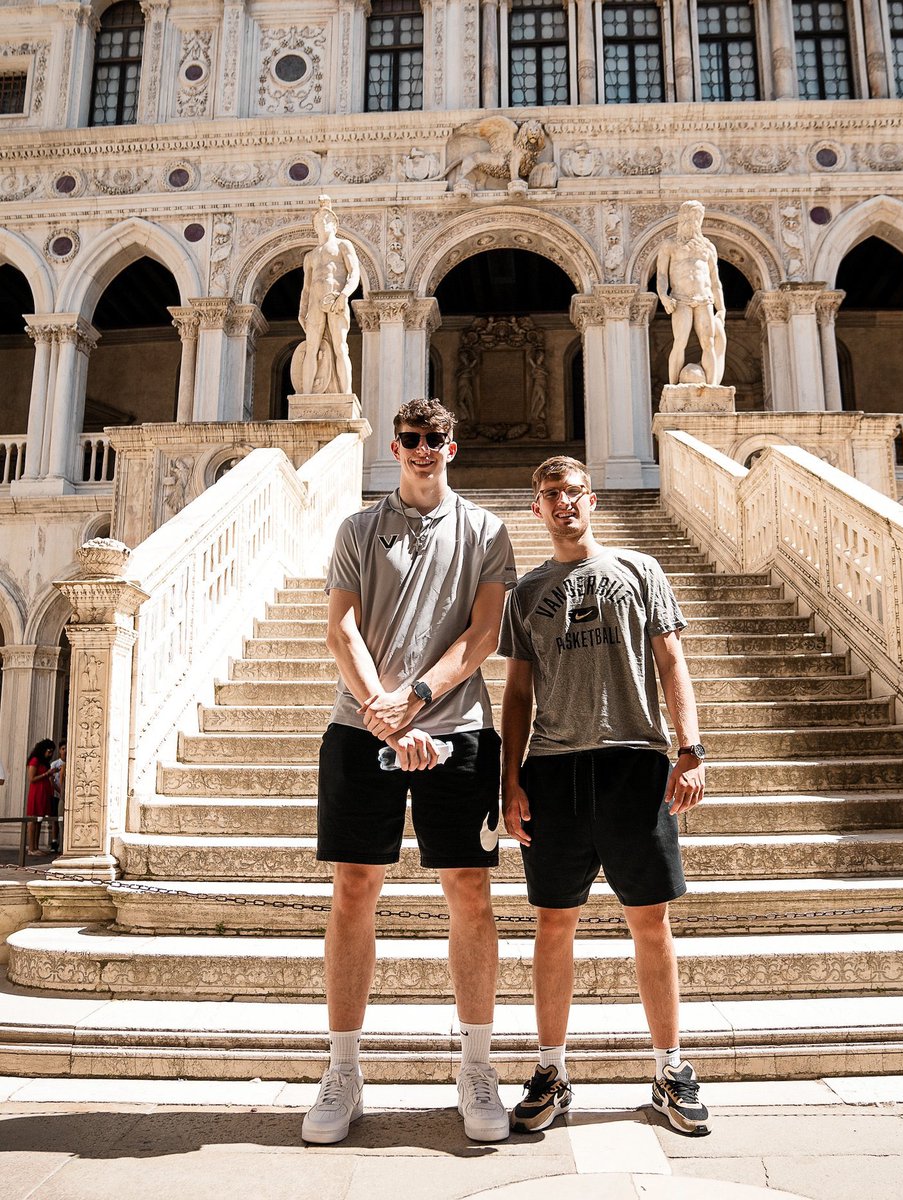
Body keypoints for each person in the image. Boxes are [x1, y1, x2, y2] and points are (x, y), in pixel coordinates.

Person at [304, 397, 517, 1145]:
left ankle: (477, 1066)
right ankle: (342, 1069)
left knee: (470, 892)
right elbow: (341, 629)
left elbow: (484, 632)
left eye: (436, 440)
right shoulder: (358, 527)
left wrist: (419, 699)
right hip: (360, 727)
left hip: (456, 729)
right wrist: (381, 709)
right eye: (411, 440)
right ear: (394, 448)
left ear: (453, 448)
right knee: (353, 889)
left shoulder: (487, 531)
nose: (424, 450)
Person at [499, 456, 710, 1138]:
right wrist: (509, 778)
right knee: (553, 924)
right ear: (536, 509)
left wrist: (691, 749)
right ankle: (551, 1070)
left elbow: (672, 660)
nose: (563, 504)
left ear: (591, 500)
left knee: (650, 921)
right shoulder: (526, 592)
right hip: (554, 772)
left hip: (634, 762)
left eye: (573, 493)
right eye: (550, 495)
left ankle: (671, 1069)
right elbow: (518, 693)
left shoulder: (639, 570)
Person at [656, 200, 727, 387]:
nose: (695, 221)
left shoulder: (708, 247)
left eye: (698, 217)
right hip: (681, 299)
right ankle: (672, 386)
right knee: (680, 342)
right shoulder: (670, 245)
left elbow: (715, 280)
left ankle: (712, 387)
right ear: (683, 218)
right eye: (691, 217)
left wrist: (721, 308)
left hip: (705, 299)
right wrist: (663, 296)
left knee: (708, 343)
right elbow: (662, 274)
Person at [296, 199, 361, 395]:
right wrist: (302, 310)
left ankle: (346, 393)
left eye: (326, 218)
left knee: (341, 347)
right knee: (311, 349)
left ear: (334, 224)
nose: (322, 222)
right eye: (318, 220)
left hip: (336, 300)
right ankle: (306, 395)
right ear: (314, 227)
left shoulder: (343, 245)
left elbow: (354, 273)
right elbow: (306, 288)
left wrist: (344, 295)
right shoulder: (310, 256)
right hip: (315, 303)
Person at [25, 739, 56, 858]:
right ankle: (31, 847)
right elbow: (32, 778)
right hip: (36, 792)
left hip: (43, 792)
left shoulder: (44, 762)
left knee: (39, 820)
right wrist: (46, 774)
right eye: (49, 751)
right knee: (33, 820)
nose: (50, 754)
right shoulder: (35, 760)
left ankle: (36, 847)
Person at [48, 738, 67, 854]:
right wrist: (60, 791)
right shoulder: (55, 764)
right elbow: (52, 780)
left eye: (66, 749)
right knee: (55, 818)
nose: (65, 751)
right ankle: (55, 841)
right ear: (60, 750)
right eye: (63, 749)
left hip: (64, 795)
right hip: (57, 794)